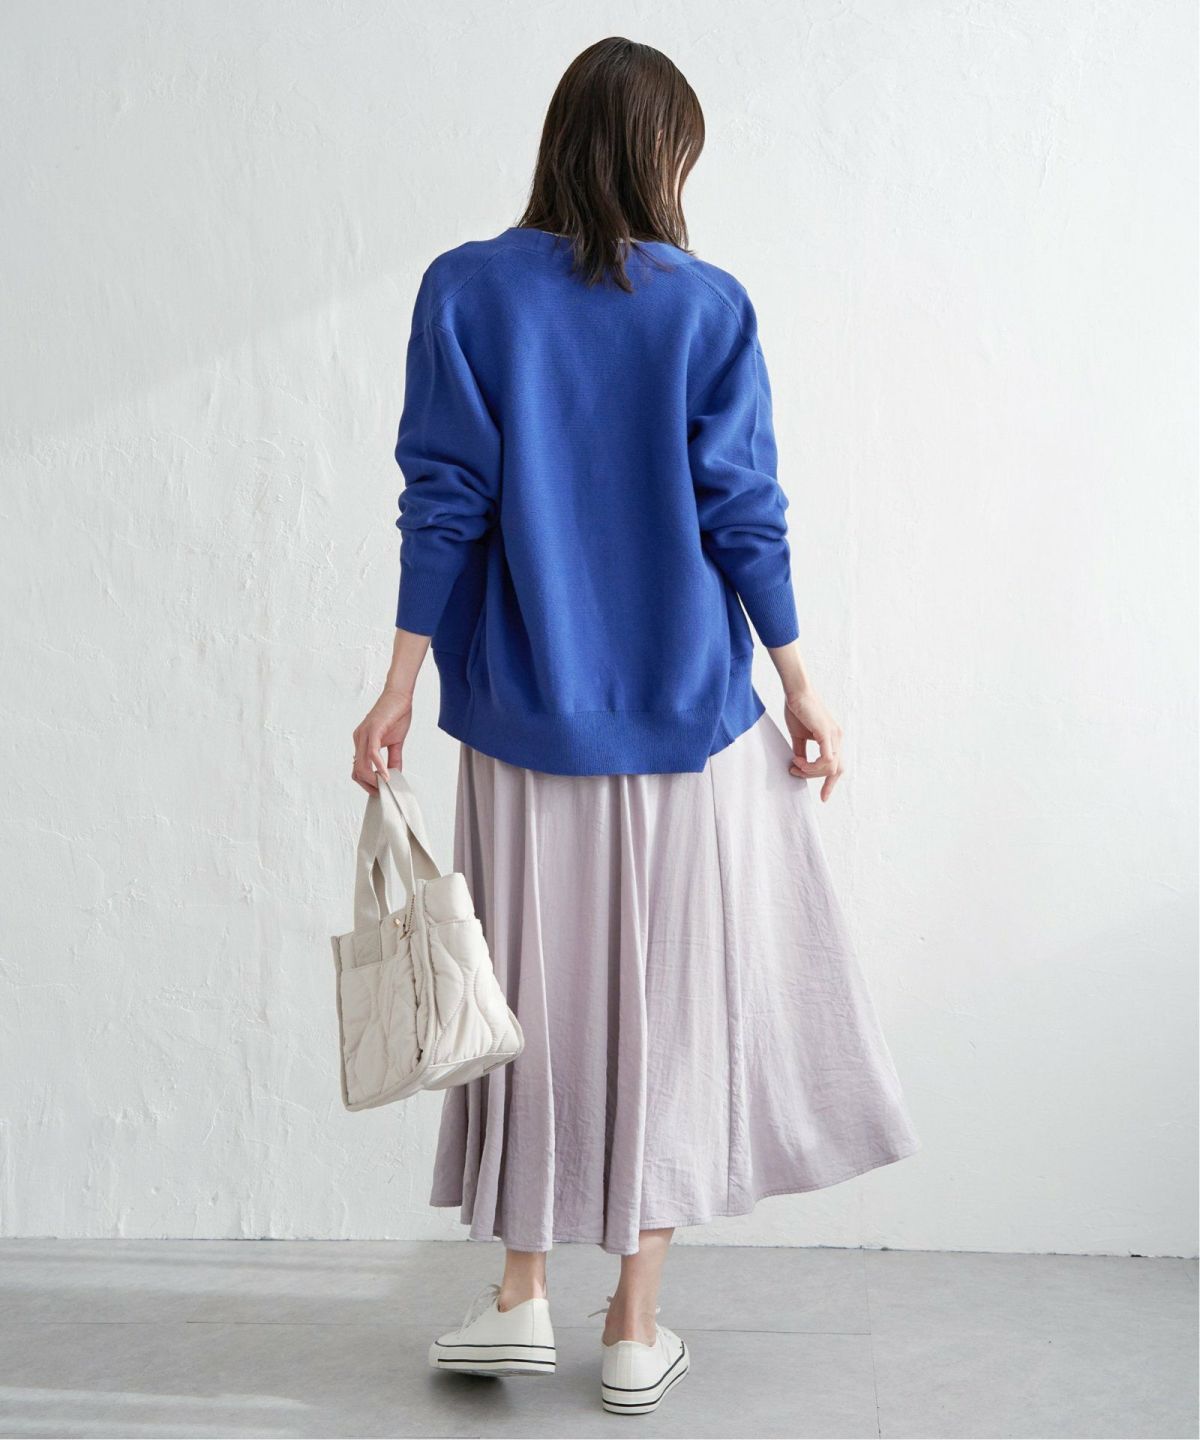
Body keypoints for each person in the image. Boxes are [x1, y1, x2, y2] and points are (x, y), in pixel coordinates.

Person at [352, 35, 919, 1417]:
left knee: (526, 1009)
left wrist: (399, 683)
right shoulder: (707, 306)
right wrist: (799, 680)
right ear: (665, 157)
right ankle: (632, 1327)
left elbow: (444, 502)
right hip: (683, 726)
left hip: (519, 720)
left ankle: (519, 1299)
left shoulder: (466, 289)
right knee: (665, 1016)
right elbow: (745, 513)